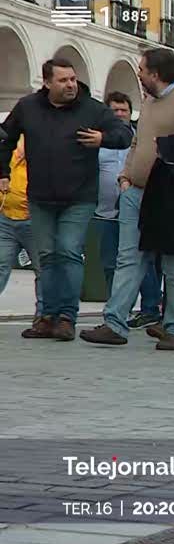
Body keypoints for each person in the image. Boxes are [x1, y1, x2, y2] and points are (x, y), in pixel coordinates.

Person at [80, 49, 174, 350]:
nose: (138, 74)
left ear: (156, 73)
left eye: (142, 69)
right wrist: (126, 177)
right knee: (128, 258)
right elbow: (137, 142)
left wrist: (169, 146)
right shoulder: (150, 101)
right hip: (136, 191)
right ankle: (115, 323)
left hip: (171, 195)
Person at [0, 57, 133, 341]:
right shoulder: (28, 107)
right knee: (46, 257)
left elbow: (124, 133)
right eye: (63, 80)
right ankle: (46, 317)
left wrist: (103, 138)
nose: (71, 84)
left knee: (69, 251)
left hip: (79, 197)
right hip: (40, 197)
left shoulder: (92, 108)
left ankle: (66, 318)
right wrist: (3, 172)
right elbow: (5, 138)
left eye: (72, 79)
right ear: (47, 83)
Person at [96, 92, 134, 292]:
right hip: (105, 212)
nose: (120, 114)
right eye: (115, 110)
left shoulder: (139, 139)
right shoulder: (98, 138)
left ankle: (147, 307)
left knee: (133, 262)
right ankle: (114, 305)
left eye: (124, 110)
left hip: (134, 212)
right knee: (109, 261)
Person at [0, 136, 41, 318]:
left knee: (42, 270)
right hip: (6, 218)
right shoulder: (6, 149)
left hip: (34, 221)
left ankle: (44, 315)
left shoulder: (42, 151)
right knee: (1, 265)